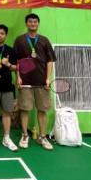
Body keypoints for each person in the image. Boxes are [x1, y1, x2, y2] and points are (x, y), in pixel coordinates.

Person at [13, 13, 56, 151]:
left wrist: (48, 78)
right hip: (25, 81)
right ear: (26, 24)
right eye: (30, 21)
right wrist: (18, 77)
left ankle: (42, 137)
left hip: (42, 81)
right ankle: (25, 135)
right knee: (25, 109)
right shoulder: (19, 40)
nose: (33, 24)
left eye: (35, 22)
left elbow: (50, 61)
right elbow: (16, 61)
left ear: (38, 24)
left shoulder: (44, 40)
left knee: (42, 110)